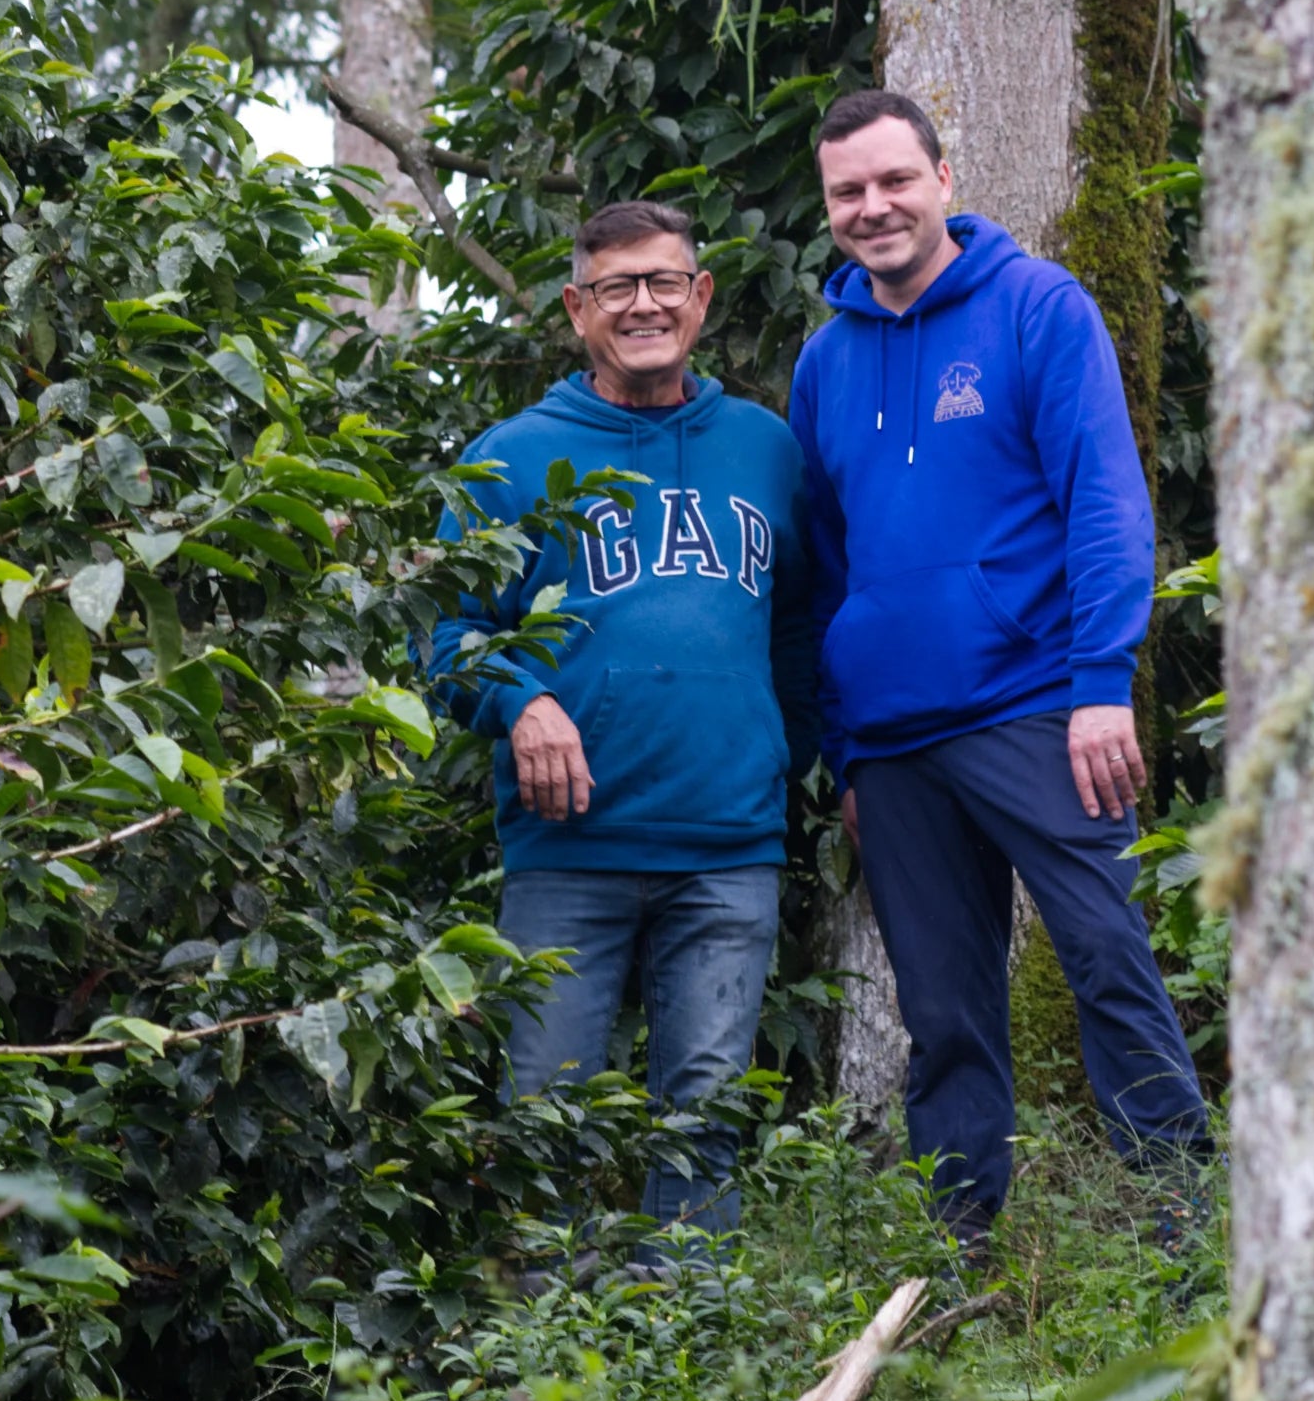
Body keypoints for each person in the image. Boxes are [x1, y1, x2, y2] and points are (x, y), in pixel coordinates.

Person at [789, 88, 1212, 1243]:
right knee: (943, 1012)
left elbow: (1106, 506)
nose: (873, 207)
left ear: (941, 176)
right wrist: (849, 753)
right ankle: (957, 1255)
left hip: (1038, 709)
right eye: (848, 191)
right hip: (893, 745)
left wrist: (1097, 686)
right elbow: (827, 569)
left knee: (1108, 960)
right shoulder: (823, 363)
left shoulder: (1036, 308)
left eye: (893, 180)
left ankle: (1181, 1233)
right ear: (828, 206)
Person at [428, 198, 819, 1264]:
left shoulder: (766, 448)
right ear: (576, 307)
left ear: (699, 297)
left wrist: (783, 754)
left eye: (663, 282)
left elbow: (799, 628)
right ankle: (540, 1373)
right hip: (569, 852)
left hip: (729, 850)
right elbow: (446, 638)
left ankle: (681, 1372)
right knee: (542, 1120)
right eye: (616, 286)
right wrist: (520, 699)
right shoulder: (511, 457)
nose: (642, 304)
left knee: (703, 1121)